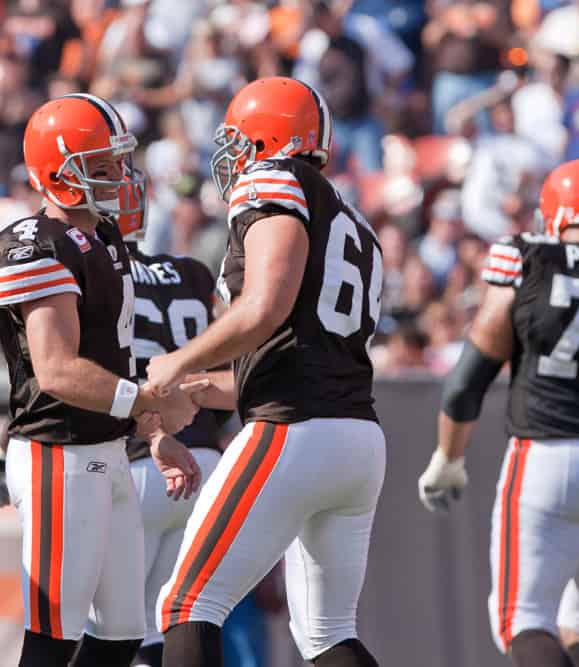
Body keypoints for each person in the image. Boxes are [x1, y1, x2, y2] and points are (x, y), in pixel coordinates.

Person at [146, 77, 386, 667]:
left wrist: (177, 360)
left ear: (266, 139)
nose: (231, 159)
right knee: (329, 633)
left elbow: (264, 309)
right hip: (355, 437)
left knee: (185, 604)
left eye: (238, 142)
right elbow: (295, 346)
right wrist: (204, 389)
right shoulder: (353, 220)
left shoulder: (273, 178)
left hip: (293, 431)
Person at [0, 93, 199, 667]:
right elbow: (57, 370)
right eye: (100, 168)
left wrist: (154, 433)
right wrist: (145, 400)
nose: (120, 178)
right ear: (57, 175)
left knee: (123, 635)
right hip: (59, 453)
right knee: (53, 637)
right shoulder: (34, 244)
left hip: (107, 450)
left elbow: (116, 360)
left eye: (119, 164)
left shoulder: (105, 240)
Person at [417, 159, 579, 667]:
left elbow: (470, 377)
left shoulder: (529, 258)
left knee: (520, 618)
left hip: (552, 451)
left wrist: (449, 456)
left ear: (554, 214)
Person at [119, 197, 225, 667]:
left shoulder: (92, 270)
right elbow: (224, 372)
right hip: (204, 458)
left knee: (104, 632)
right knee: (170, 624)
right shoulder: (194, 273)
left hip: (140, 461)